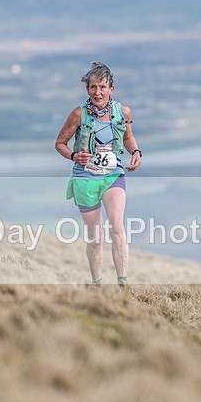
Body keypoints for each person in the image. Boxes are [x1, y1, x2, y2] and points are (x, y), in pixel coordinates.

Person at [54, 62, 142, 286]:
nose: (97, 92)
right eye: (93, 87)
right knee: (96, 238)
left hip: (113, 175)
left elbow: (128, 137)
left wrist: (135, 152)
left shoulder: (123, 112)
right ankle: (97, 284)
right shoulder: (78, 114)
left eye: (102, 87)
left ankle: (122, 283)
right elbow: (60, 143)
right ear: (87, 90)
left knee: (117, 227)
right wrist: (74, 156)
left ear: (111, 89)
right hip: (85, 179)